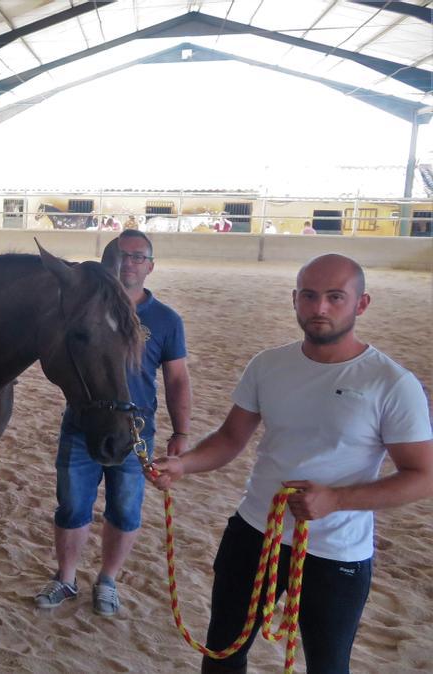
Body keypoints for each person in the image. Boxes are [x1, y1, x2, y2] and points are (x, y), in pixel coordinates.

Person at [147, 254, 433, 674]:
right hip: (253, 533)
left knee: (327, 665)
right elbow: (230, 438)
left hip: (336, 552)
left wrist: (336, 499)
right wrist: (183, 465)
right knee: (223, 652)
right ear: (295, 299)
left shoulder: (390, 383)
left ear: (362, 303)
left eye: (336, 297)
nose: (320, 308)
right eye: (310, 296)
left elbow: (423, 476)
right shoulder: (268, 365)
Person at [35, 229, 192, 616]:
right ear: (110, 263)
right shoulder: (83, 307)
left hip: (135, 430)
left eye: (138, 257)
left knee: (125, 510)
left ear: (150, 266)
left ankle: (107, 580)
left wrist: (182, 431)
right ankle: (66, 578)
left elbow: (177, 379)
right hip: (83, 421)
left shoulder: (165, 319)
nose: (129, 263)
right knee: (72, 506)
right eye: (122, 256)